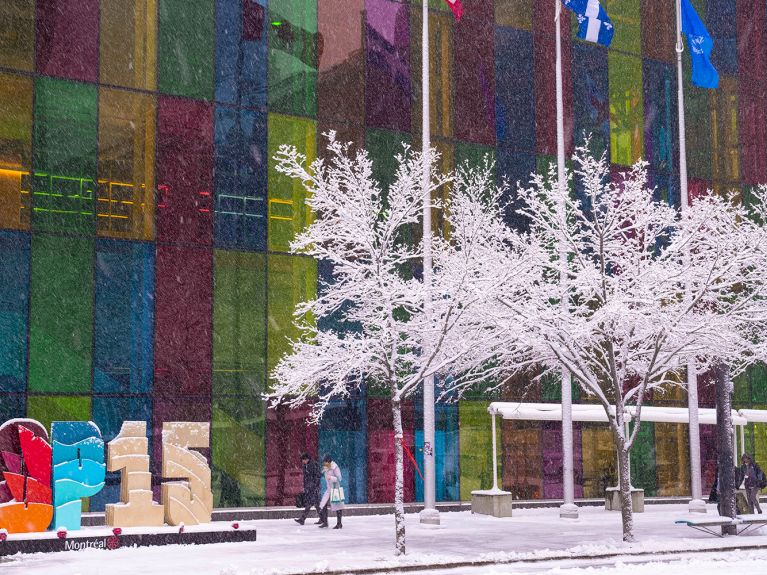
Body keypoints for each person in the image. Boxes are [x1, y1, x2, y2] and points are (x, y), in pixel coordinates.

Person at [319, 454, 345, 529]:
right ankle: (325, 522)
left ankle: (339, 523)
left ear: (329, 461)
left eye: (325, 462)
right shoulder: (326, 468)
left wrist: (331, 478)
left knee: (338, 507)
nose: (324, 463)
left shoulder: (335, 467)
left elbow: (339, 478)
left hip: (335, 488)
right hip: (329, 489)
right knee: (323, 504)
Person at [295, 453, 322, 525]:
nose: (302, 462)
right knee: (316, 504)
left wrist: (315, 486)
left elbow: (318, 476)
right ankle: (322, 518)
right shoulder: (305, 465)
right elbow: (305, 477)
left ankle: (302, 519)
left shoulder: (314, 464)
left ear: (307, 459)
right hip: (309, 488)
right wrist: (305, 487)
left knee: (310, 503)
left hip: (314, 488)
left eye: (303, 460)